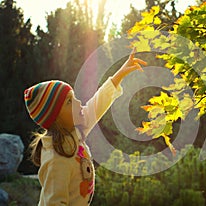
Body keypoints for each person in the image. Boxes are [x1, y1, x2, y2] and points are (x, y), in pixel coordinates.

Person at [24, 48, 147, 206]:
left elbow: (98, 104)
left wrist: (120, 74)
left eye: (74, 97)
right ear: (55, 118)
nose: (78, 103)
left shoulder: (75, 132)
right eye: (69, 101)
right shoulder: (56, 160)